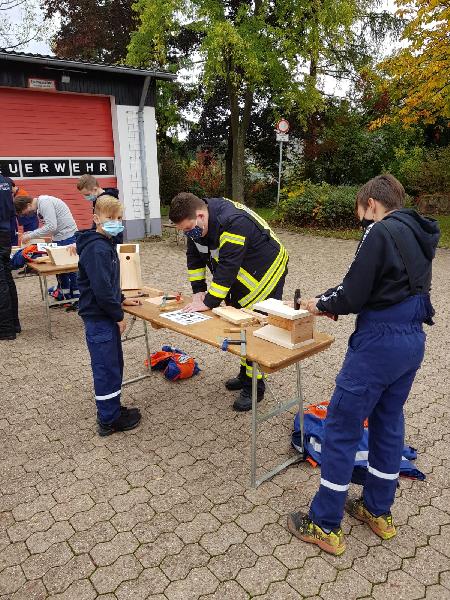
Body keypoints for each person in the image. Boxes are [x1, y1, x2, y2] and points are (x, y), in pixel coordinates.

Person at [287, 174, 440, 556]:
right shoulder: (417, 233)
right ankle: (377, 509)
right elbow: (382, 287)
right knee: (388, 424)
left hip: (378, 346)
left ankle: (324, 524)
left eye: (361, 216)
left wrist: (321, 304)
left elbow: (354, 293)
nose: (362, 224)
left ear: (372, 204)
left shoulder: (379, 230)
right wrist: (328, 301)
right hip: (411, 341)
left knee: (342, 427)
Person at [169, 192, 289, 411]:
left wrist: (210, 301)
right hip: (243, 270)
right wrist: (198, 291)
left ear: (200, 215)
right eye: (184, 230)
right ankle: (245, 375)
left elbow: (228, 267)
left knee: (255, 328)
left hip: (267, 271)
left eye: (188, 229)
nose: (187, 234)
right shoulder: (196, 225)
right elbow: (194, 258)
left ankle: (255, 387)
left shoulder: (233, 222)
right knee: (240, 322)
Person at [76, 195, 141, 436]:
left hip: (105, 314)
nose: (116, 222)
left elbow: (109, 282)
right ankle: (108, 420)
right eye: (110, 218)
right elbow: (102, 290)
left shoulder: (105, 244)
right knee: (106, 368)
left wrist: (121, 299)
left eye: (119, 218)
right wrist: (118, 314)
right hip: (100, 318)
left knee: (114, 365)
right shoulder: (97, 249)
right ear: (96, 218)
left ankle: (112, 409)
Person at [14, 195, 79, 300]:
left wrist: (30, 235)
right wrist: (31, 233)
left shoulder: (44, 203)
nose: (25, 214)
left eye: (23, 212)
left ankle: (77, 298)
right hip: (59, 237)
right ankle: (64, 294)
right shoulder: (40, 206)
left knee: (70, 269)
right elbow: (50, 226)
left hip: (67, 237)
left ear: (28, 205)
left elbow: (51, 226)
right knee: (60, 270)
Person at [0, 175, 20, 340]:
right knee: (7, 278)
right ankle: (14, 324)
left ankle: (5, 329)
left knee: (1, 282)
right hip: (5, 233)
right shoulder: (6, 181)